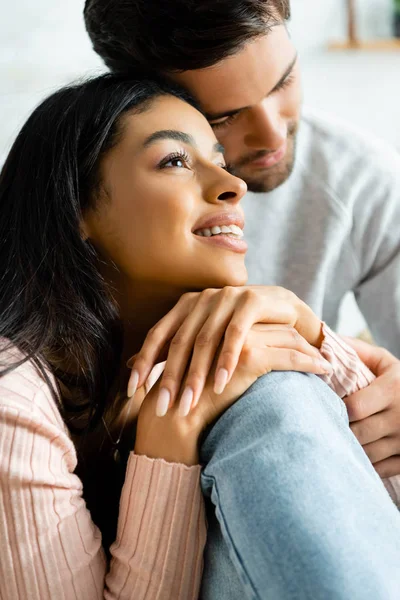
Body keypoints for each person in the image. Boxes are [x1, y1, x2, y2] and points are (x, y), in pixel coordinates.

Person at [1, 73, 400, 600]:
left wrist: (312, 331)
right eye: (175, 161)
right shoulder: (13, 400)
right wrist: (173, 434)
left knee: (271, 379)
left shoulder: (180, 354)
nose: (230, 184)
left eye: (220, 160)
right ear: (75, 207)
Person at [84, 0, 400, 482]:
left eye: (284, 80)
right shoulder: (85, 198)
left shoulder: (361, 183)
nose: (272, 134)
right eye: (224, 117)